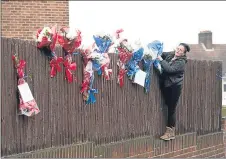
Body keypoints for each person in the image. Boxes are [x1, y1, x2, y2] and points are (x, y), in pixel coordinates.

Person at [157, 43, 190, 141]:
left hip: (174, 87)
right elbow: (161, 54)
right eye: (178, 48)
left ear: (183, 53)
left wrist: (161, 60)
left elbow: (170, 70)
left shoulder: (181, 62)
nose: (178, 50)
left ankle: (170, 133)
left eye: (181, 50)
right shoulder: (171, 54)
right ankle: (171, 133)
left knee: (171, 109)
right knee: (169, 107)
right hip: (167, 86)